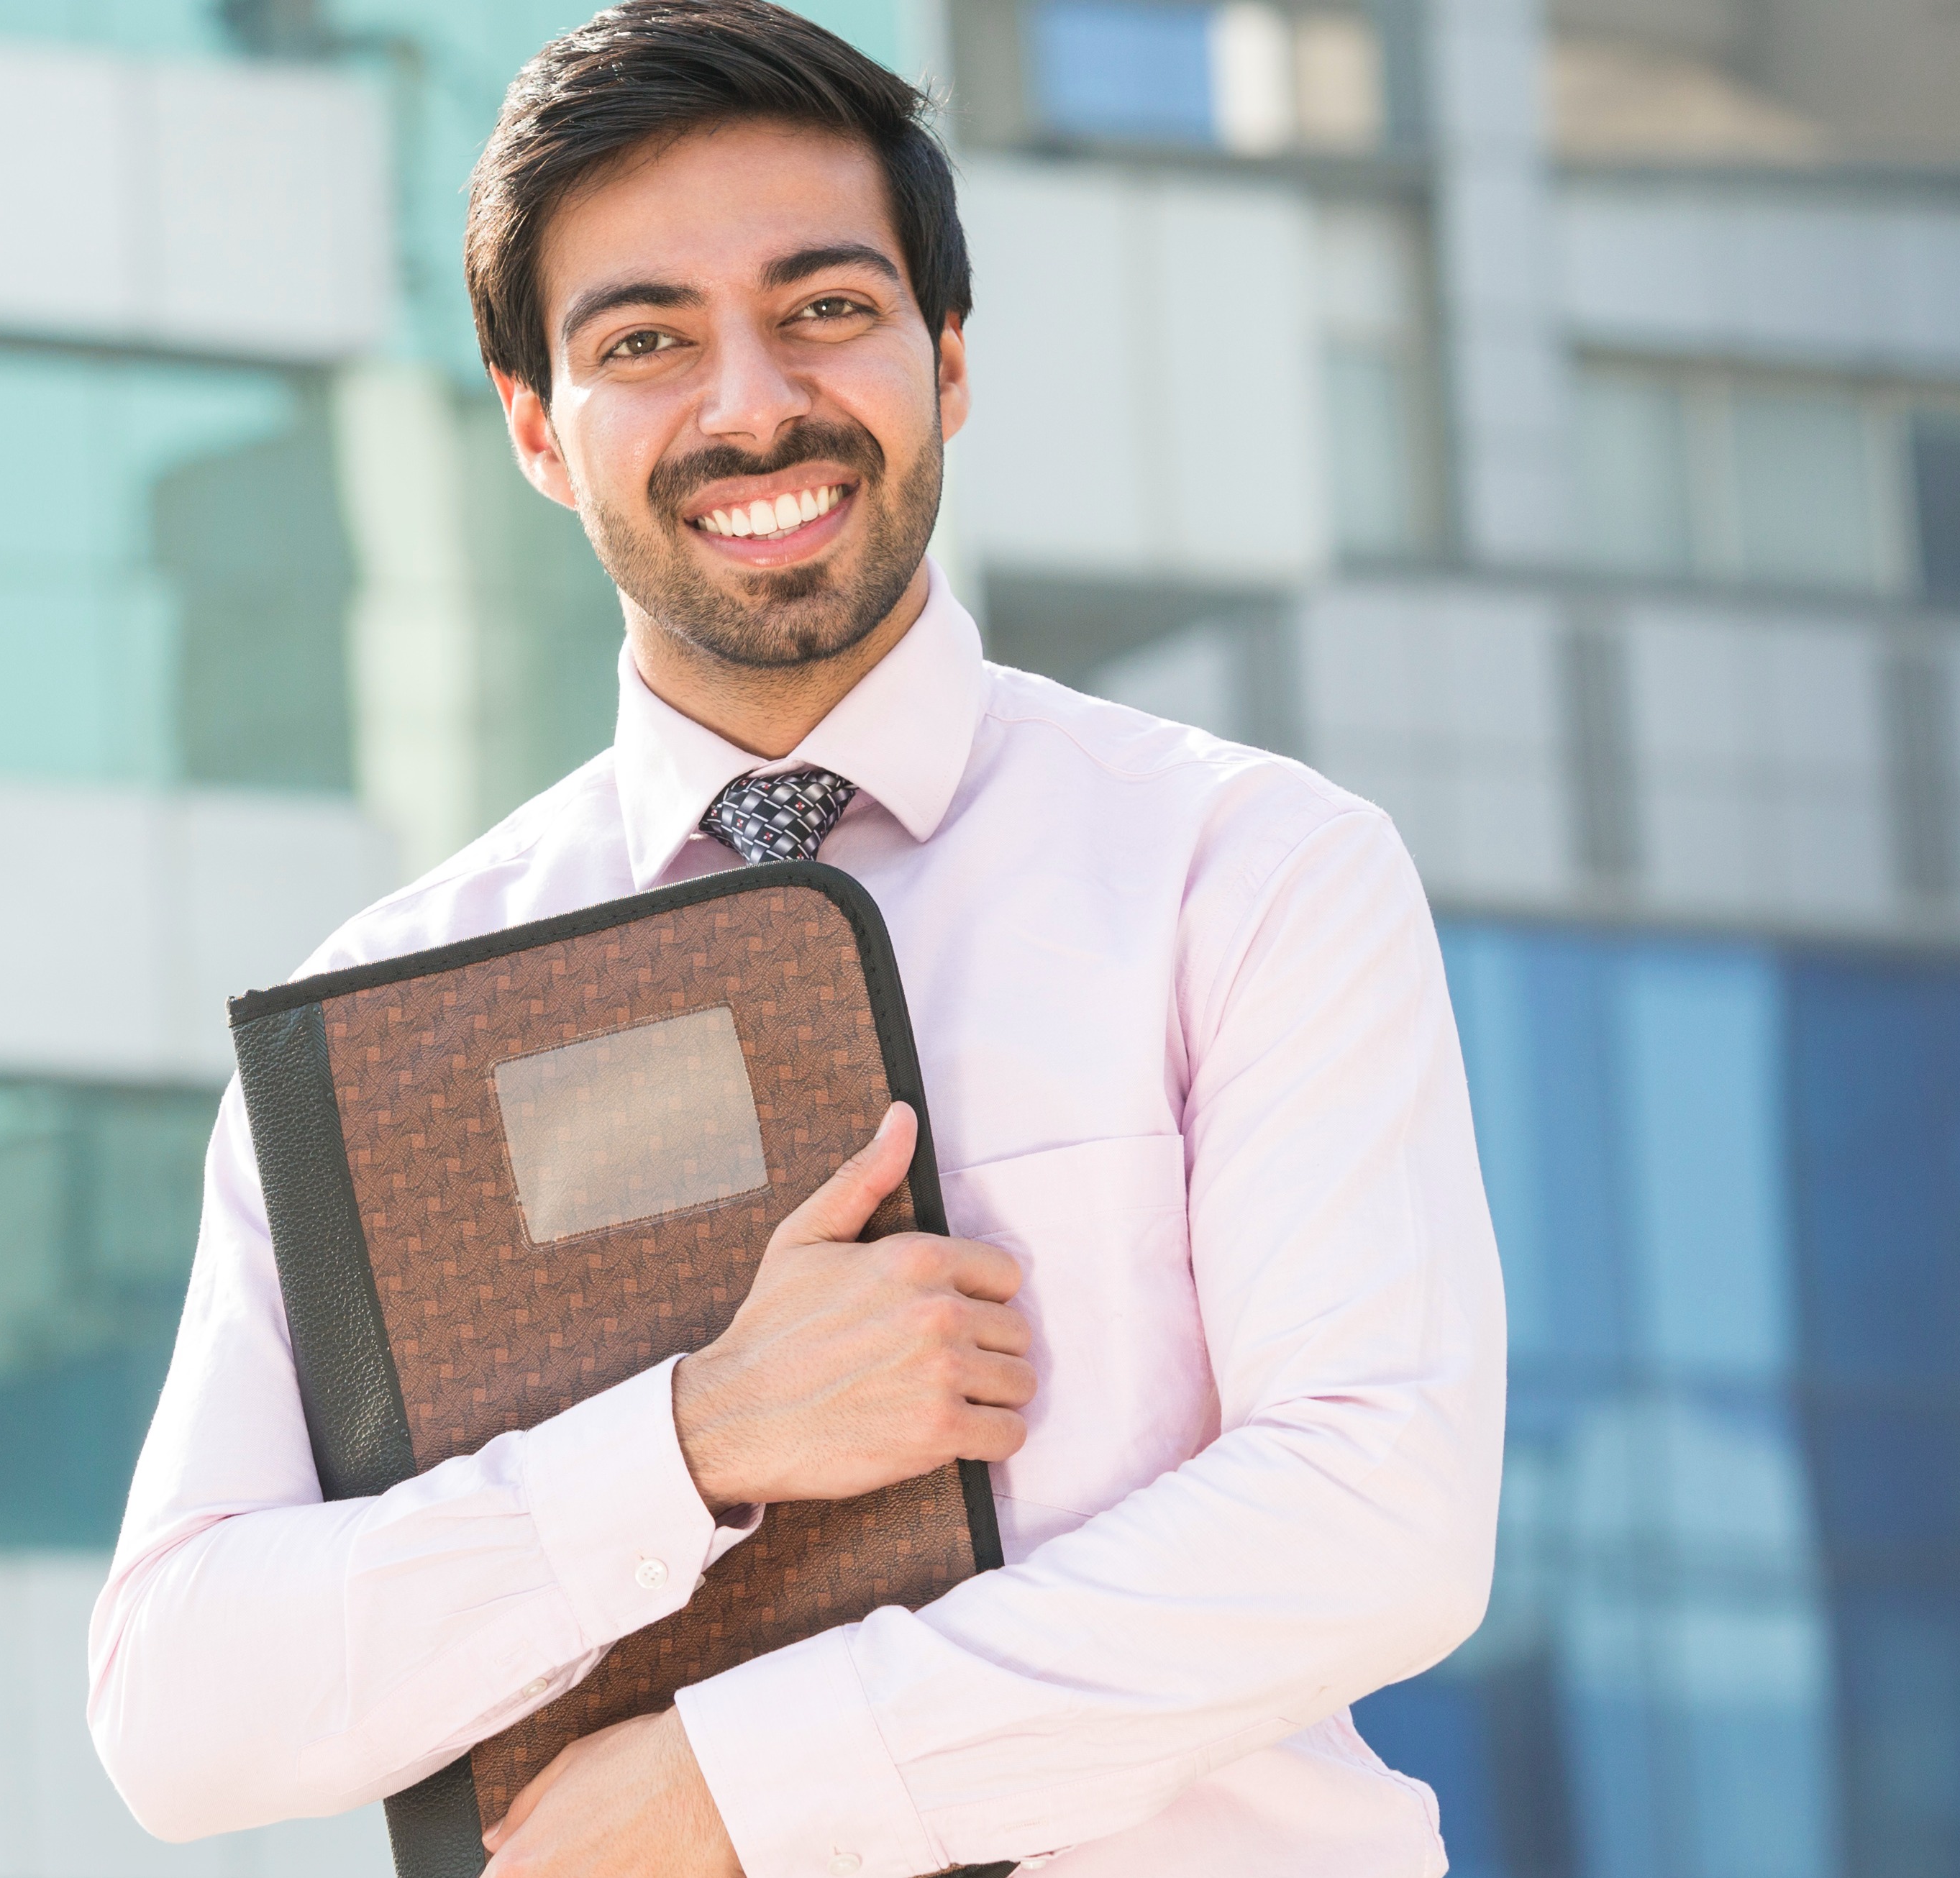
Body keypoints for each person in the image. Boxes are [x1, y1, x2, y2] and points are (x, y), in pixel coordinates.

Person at [88, 3, 1505, 1871]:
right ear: (533, 425)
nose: (752, 404)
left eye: (826, 308)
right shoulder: (387, 1030)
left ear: (950, 358)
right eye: (647, 340)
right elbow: (181, 1712)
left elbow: (1376, 1509)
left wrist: (739, 1788)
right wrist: (689, 1443)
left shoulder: (1239, 868)